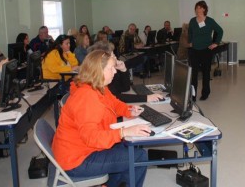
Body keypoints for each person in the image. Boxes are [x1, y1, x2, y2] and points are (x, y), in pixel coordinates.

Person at [52, 50, 149, 187]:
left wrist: (129, 111)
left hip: (83, 149)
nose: (115, 72)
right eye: (111, 68)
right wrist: (123, 132)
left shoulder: (98, 86)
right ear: (99, 70)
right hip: (77, 160)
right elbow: (91, 137)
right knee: (139, 157)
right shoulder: (87, 97)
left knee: (128, 147)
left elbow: (114, 103)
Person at [88, 41, 164, 103]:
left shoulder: (110, 71)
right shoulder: (103, 76)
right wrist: (146, 98)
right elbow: (117, 97)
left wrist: (123, 70)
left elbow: (125, 88)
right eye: (113, 55)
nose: (115, 58)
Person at [188, 0, 223, 101]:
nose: (197, 9)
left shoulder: (210, 21)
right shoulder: (192, 21)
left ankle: (205, 93)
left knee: (206, 73)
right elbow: (190, 32)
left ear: (204, 9)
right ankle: (193, 95)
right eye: (196, 8)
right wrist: (190, 41)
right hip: (194, 51)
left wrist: (216, 43)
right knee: (193, 74)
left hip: (206, 51)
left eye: (199, 7)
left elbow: (220, 31)